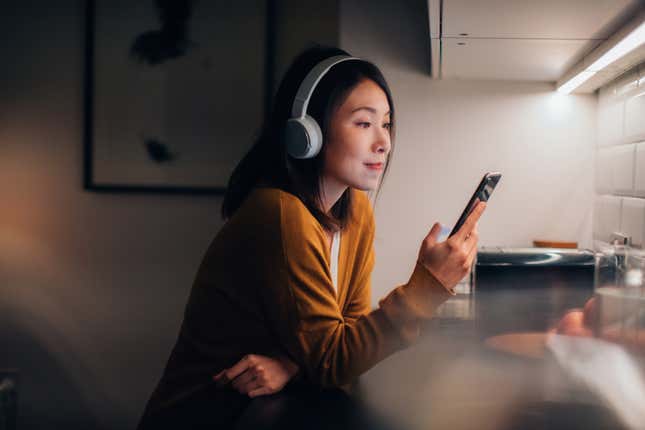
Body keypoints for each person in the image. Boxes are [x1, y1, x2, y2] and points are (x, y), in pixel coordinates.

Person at [137, 45, 486, 429]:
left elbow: (346, 342)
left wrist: (292, 364)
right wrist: (430, 285)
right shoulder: (279, 214)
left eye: (386, 123)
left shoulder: (356, 212)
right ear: (309, 132)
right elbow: (334, 360)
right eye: (363, 123)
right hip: (205, 418)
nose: (384, 141)